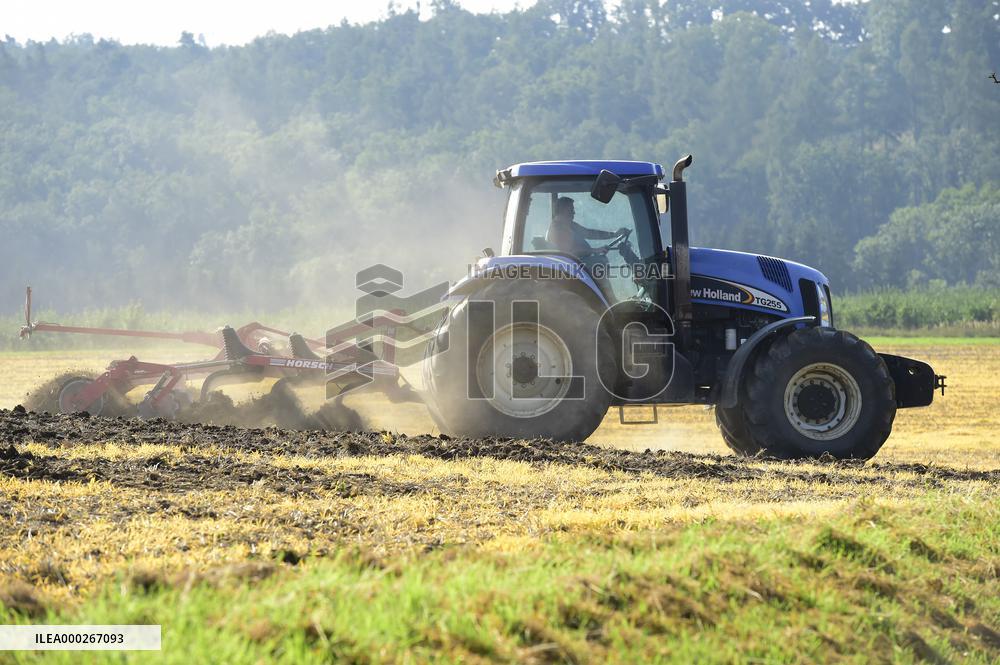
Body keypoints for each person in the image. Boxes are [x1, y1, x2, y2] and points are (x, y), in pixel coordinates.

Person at [546, 197, 628, 258]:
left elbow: (589, 233)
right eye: (571, 209)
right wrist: (595, 250)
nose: (574, 212)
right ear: (563, 210)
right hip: (570, 275)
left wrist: (614, 234)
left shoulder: (569, 225)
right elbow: (568, 251)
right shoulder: (557, 229)